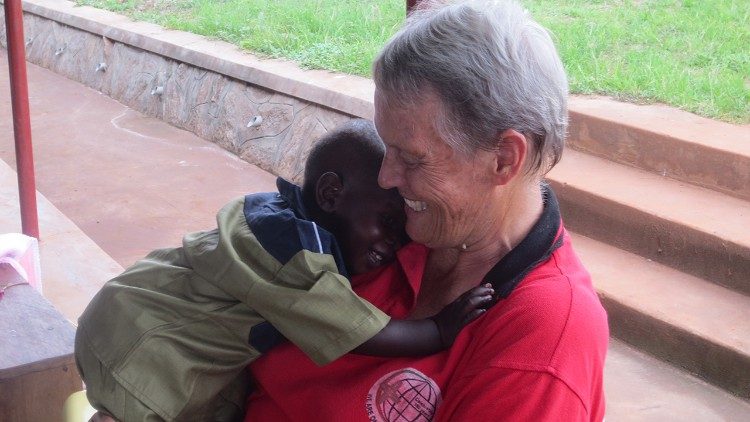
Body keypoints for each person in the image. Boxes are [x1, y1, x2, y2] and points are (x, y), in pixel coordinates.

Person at [244, 1, 609, 421]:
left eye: (412, 158)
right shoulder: (393, 224)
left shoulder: (543, 337)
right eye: (387, 146)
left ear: (504, 160)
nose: (384, 177)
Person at [74, 119, 494, 422]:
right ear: (331, 194)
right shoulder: (294, 254)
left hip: (123, 316)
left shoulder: (273, 216)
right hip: (139, 354)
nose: (393, 243)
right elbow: (358, 333)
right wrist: (439, 329)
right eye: (387, 222)